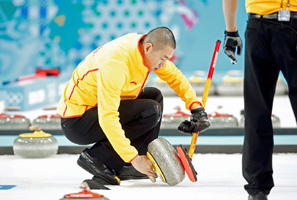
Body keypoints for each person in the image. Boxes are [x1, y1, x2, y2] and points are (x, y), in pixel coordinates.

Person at [57, 27, 210, 186]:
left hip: (95, 110)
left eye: (167, 59)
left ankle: (129, 163)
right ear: (149, 47)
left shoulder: (144, 49)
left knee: (154, 97)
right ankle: (97, 157)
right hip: (78, 121)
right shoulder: (115, 63)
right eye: (163, 59)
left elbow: (176, 78)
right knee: (150, 109)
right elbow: (108, 118)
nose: (163, 64)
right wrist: (132, 157)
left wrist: (196, 108)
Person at [223, 0, 297, 199]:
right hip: (272, 25)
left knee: (257, 110)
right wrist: (230, 31)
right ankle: (257, 188)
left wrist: (231, 31)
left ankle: (257, 188)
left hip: (260, 26)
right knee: (256, 111)